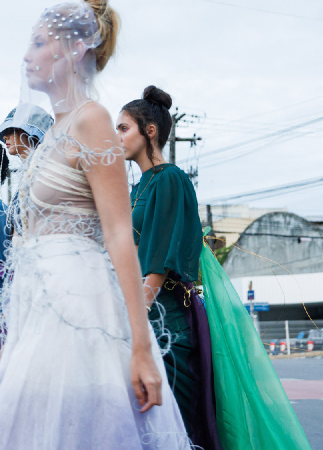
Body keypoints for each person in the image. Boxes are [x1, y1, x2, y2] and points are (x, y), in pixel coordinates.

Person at [0, 3, 190, 449]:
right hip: (39, 307)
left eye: (38, 43)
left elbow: (118, 234)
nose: (27, 56)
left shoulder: (93, 120)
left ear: (75, 48)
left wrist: (140, 345)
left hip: (83, 311)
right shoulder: (54, 130)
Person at [120, 87, 310, 450]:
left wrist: (135, 316)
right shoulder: (138, 186)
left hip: (164, 320)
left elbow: (160, 259)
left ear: (150, 131)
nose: (117, 137)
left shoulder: (170, 178)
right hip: (141, 312)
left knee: (174, 426)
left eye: (124, 128)